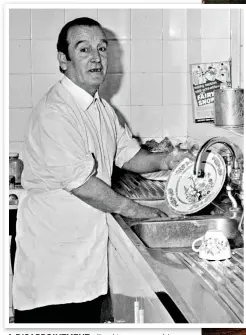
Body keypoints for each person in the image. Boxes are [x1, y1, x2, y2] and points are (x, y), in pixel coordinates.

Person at [12, 17, 193, 323]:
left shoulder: (101, 107)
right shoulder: (55, 113)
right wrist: (141, 211)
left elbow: (130, 155)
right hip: (53, 271)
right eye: (84, 49)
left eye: (101, 48)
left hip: (85, 265)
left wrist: (167, 160)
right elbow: (84, 186)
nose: (96, 57)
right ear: (63, 60)